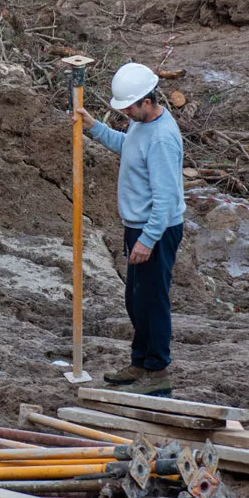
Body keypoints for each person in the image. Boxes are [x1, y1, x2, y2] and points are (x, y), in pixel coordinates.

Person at [75, 62, 185, 395]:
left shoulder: (163, 138)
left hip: (157, 230)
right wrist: (93, 127)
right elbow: (128, 147)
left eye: (128, 107)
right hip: (139, 227)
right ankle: (140, 362)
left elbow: (165, 200)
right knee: (136, 301)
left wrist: (148, 240)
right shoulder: (142, 125)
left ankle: (157, 371)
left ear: (147, 102)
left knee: (153, 302)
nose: (124, 111)